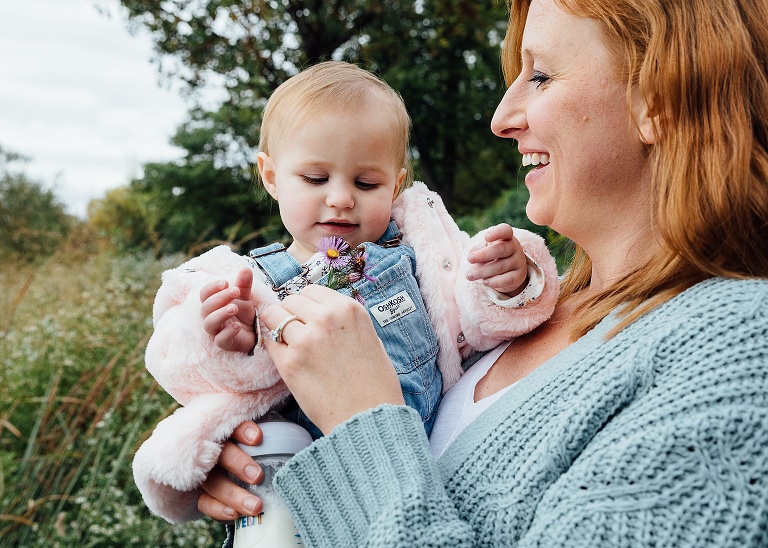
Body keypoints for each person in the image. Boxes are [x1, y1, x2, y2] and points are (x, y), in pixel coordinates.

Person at [198, 0, 768, 545]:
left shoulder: (741, 348)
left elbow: (382, 463)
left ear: (658, 99)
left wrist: (361, 425)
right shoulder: (530, 306)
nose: (501, 118)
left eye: (540, 75)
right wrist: (282, 470)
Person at [132, 61, 559, 524]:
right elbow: (189, 371)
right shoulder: (252, 283)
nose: (340, 198)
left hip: (418, 482)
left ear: (396, 184)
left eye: (365, 182)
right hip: (298, 502)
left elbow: (475, 316)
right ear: (271, 177)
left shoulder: (422, 251)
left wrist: (507, 280)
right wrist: (229, 341)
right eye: (316, 179)